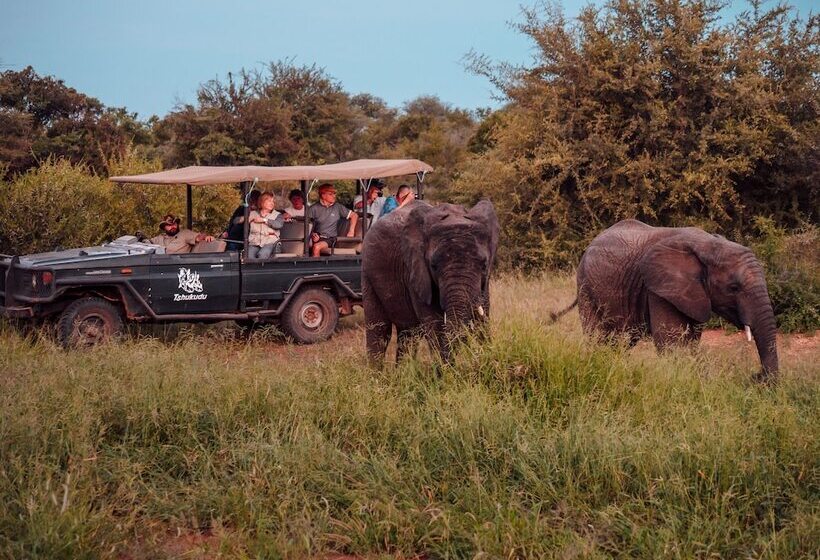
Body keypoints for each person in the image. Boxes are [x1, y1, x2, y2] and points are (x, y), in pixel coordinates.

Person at [307, 183, 358, 257]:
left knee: (316, 247)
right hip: (315, 238)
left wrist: (351, 231)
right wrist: (312, 235)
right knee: (303, 247)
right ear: (323, 195)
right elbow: (307, 226)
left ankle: (317, 268)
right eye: (331, 194)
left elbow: (354, 215)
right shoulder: (313, 208)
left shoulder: (337, 207)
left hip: (331, 239)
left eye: (334, 193)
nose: (334, 196)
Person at [149, 214, 214, 254]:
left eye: (174, 224)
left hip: (178, 267)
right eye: (169, 225)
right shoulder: (160, 238)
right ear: (164, 227)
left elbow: (199, 237)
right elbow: (146, 243)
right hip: (159, 267)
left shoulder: (184, 234)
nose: (172, 227)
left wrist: (206, 237)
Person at [247, 191, 285, 259]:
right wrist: (244, 219)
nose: (272, 203)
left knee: (262, 254)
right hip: (255, 242)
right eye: (269, 201)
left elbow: (279, 225)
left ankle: (262, 269)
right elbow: (238, 222)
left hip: (270, 242)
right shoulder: (252, 214)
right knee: (249, 256)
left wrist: (265, 220)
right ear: (262, 202)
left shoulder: (277, 215)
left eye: (273, 201)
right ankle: (253, 269)